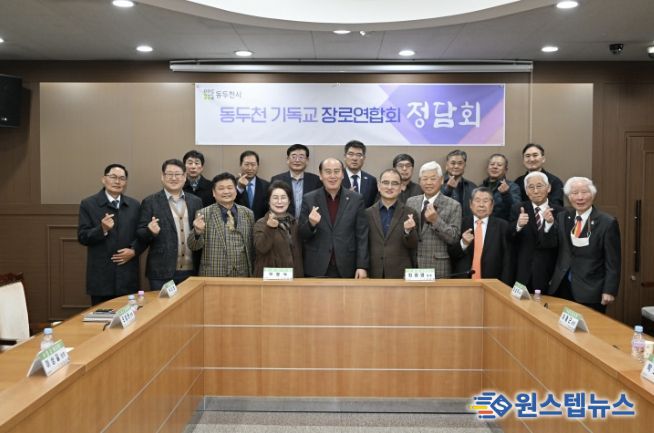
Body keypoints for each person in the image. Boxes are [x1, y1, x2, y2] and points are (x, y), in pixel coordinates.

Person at [547, 177, 621, 313]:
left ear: (592, 194)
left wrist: (609, 290)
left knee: (588, 325)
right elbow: (553, 246)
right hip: (562, 286)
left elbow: (613, 262)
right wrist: (549, 224)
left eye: (584, 192)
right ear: (569, 197)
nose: (580, 197)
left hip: (591, 289)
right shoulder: (563, 217)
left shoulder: (607, 222)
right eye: (575, 193)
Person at [78, 164, 144, 305]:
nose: (117, 181)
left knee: (129, 316)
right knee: (101, 316)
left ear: (126, 182)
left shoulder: (134, 205)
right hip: (101, 277)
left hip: (127, 276)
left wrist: (134, 250)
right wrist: (102, 229)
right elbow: (82, 237)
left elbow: (140, 235)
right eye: (113, 177)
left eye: (122, 178)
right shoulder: (88, 204)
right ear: (104, 179)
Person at [137, 159, 203, 290]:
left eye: (177, 174)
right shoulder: (150, 202)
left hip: (191, 271)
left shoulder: (196, 201)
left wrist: (198, 232)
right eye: (169, 174)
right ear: (162, 177)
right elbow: (140, 233)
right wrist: (150, 231)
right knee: (162, 303)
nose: (173, 178)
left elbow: (200, 233)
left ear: (184, 177)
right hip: (161, 272)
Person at [299, 157, 369, 278]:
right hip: (316, 266)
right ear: (321, 175)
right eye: (328, 172)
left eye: (336, 171)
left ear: (342, 175)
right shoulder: (309, 199)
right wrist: (311, 224)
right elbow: (302, 235)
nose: (332, 176)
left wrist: (362, 266)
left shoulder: (356, 199)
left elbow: (362, 235)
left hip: (347, 265)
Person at [189, 172, 255, 277]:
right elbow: (193, 246)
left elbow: (252, 246)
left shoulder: (248, 214)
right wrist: (197, 232)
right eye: (221, 188)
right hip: (214, 275)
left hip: (242, 275)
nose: (226, 191)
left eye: (230, 188)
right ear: (214, 193)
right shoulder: (203, 214)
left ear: (236, 191)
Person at [509, 171, 563, 292]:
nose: (536, 191)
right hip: (522, 273)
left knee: (548, 304)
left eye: (539, 186)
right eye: (531, 187)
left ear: (548, 188)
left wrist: (549, 224)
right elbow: (509, 237)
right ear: (526, 191)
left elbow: (561, 244)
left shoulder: (560, 212)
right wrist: (518, 225)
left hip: (549, 273)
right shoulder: (518, 209)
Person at [406, 161, 461, 277]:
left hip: (438, 266)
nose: (428, 182)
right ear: (419, 181)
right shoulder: (411, 202)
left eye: (433, 178)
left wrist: (436, 220)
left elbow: (454, 238)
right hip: (412, 265)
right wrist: (407, 230)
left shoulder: (453, 205)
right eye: (425, 179)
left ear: (441, 180)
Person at [449, 187, 513, 285]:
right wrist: (463, 243)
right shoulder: (460, 223)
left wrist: (504, 286)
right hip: (463, 282)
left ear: (492, 205)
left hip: (492, 283)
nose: (481, 205)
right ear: (470, 204)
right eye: (477, 200)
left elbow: (508, 260)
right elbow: (451, 254)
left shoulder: (503, 226)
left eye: (485, 201)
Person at [366, 169, 419, 278]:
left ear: (401, 188)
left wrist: (408, 231)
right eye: (385, 183)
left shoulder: (410, 213)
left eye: (394, 183)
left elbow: (414, 245)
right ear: (379, 186)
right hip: (373, 272)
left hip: (400, 273)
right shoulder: (367, 213)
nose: (389, 187)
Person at [253, 181, 303, 277]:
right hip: (271, 278)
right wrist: (270, 228)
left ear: (289, 201)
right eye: (275, 198)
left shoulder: (294, 222)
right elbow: (261, 248)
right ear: (269, 201)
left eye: (283, 197)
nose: (279, 202)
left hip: (294, 278)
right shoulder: (261, 223)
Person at [271, 144, 322, 218]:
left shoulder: (316, 180)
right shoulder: (277, 180)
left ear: (307, 160)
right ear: (288, 160)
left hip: (309, 222)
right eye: (293, 157)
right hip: (283, 222)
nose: (297, 160)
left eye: (301, 157)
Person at [481, 153, 521, 221]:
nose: (495, 167)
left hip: (503, 225)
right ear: (487, 168)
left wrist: (506, 194)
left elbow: (516, 210)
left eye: (499, 165)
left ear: (505, 170)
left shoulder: (512, 187)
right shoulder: (481, 188)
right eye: (492, 164)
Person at [441, 149, 477, 220]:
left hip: (466, 225)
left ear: (464, 166)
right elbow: (434, 205)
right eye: (453, 163)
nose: (456, 166)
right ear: (447, 166)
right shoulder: (437, 184)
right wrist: (448, 189)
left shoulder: (472, 187)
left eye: (460, 163)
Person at [341, 140, 378, 208]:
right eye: (351, 154)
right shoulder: (337, 178)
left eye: (358, 155)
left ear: (364, 158)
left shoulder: (371, 180)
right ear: (345, 156)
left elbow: (373, 205)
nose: (354, 158)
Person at [236, 150, 270, 220]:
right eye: (246, 164)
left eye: (253, 164)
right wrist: (239, 188)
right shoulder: (232, 183)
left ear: (258, 165)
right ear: (240, 164)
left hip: (259, 224)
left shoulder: (266, 185)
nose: (250, 168)